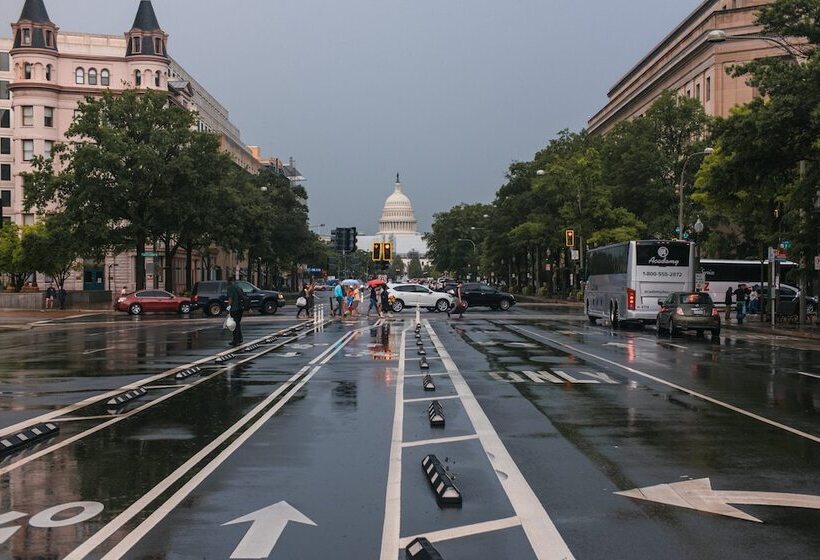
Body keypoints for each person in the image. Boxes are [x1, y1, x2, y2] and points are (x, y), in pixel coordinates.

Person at [226, 277, 245, 347]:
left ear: (230, 281)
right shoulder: (238, 287)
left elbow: (230, 298)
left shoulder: (230, 288)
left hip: (234, 308)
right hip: (240, 308)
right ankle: (239, 338)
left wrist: (228, 307)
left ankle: (236, 340)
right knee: (238, 324)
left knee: (234, 325)